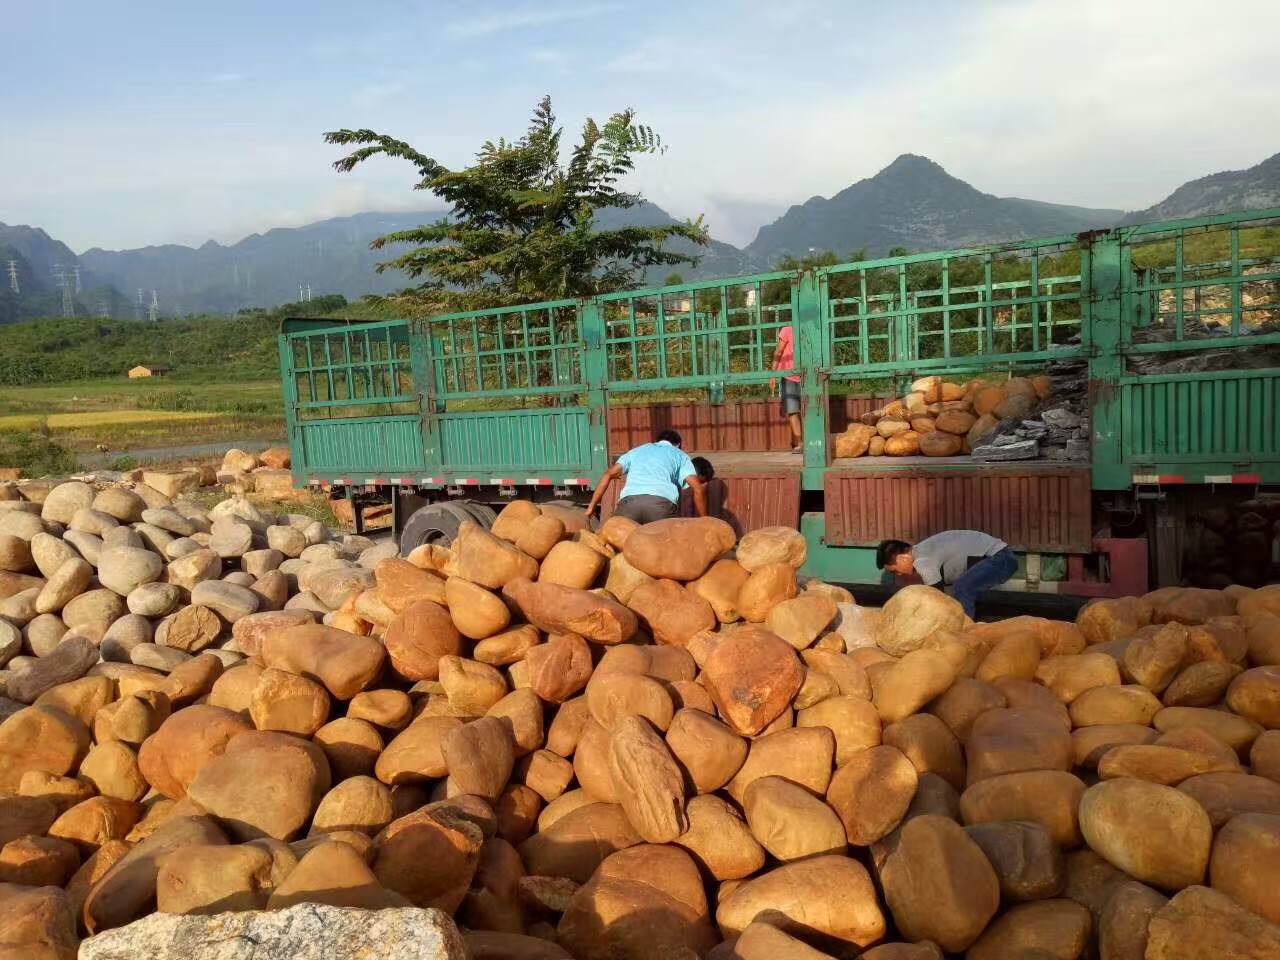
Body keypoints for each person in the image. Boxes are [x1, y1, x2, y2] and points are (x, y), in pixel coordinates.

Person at [876, 530, 1018, 619]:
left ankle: (965, 635)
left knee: (962, 587)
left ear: (903, 558)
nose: (899, 574)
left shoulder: (922, 561)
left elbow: (937, 597)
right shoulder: (924, 550)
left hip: (1000, 558)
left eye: (895, 570)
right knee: (958, 592)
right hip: (1001, 556)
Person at [585, 429, 707, 524]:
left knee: (620, 545)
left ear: (657, 441)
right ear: (678, 444)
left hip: (628, 506)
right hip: (661, 507)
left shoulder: (636, 451)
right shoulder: (680, 455)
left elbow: (608, 474)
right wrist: (705, 520)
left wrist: (591, 507)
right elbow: (697, 489)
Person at [769, 324, 803, 453]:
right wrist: (773, 374)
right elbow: (779, 351)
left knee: (795, 411)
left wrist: (773, 374)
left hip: (805, 375)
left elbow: (778, 351)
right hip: (790, 375)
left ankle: (803, 443)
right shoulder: (788, 329)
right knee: (793, 411)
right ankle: (800, 443)